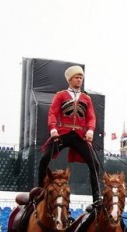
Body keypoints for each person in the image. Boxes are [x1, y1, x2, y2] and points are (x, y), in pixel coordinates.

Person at [37, 65, 101, 207]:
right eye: (76, 77)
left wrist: (90, 130)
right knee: (44, 159)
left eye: (81, 77)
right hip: (62, 133)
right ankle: (40, 190)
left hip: (79, 135)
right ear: (70, 79)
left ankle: (96, 197)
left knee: (94, 163)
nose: (79, 80)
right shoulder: (61, 95)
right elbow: (52, 112)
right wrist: (53, 129)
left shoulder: (86, 98)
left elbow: (91, 117)